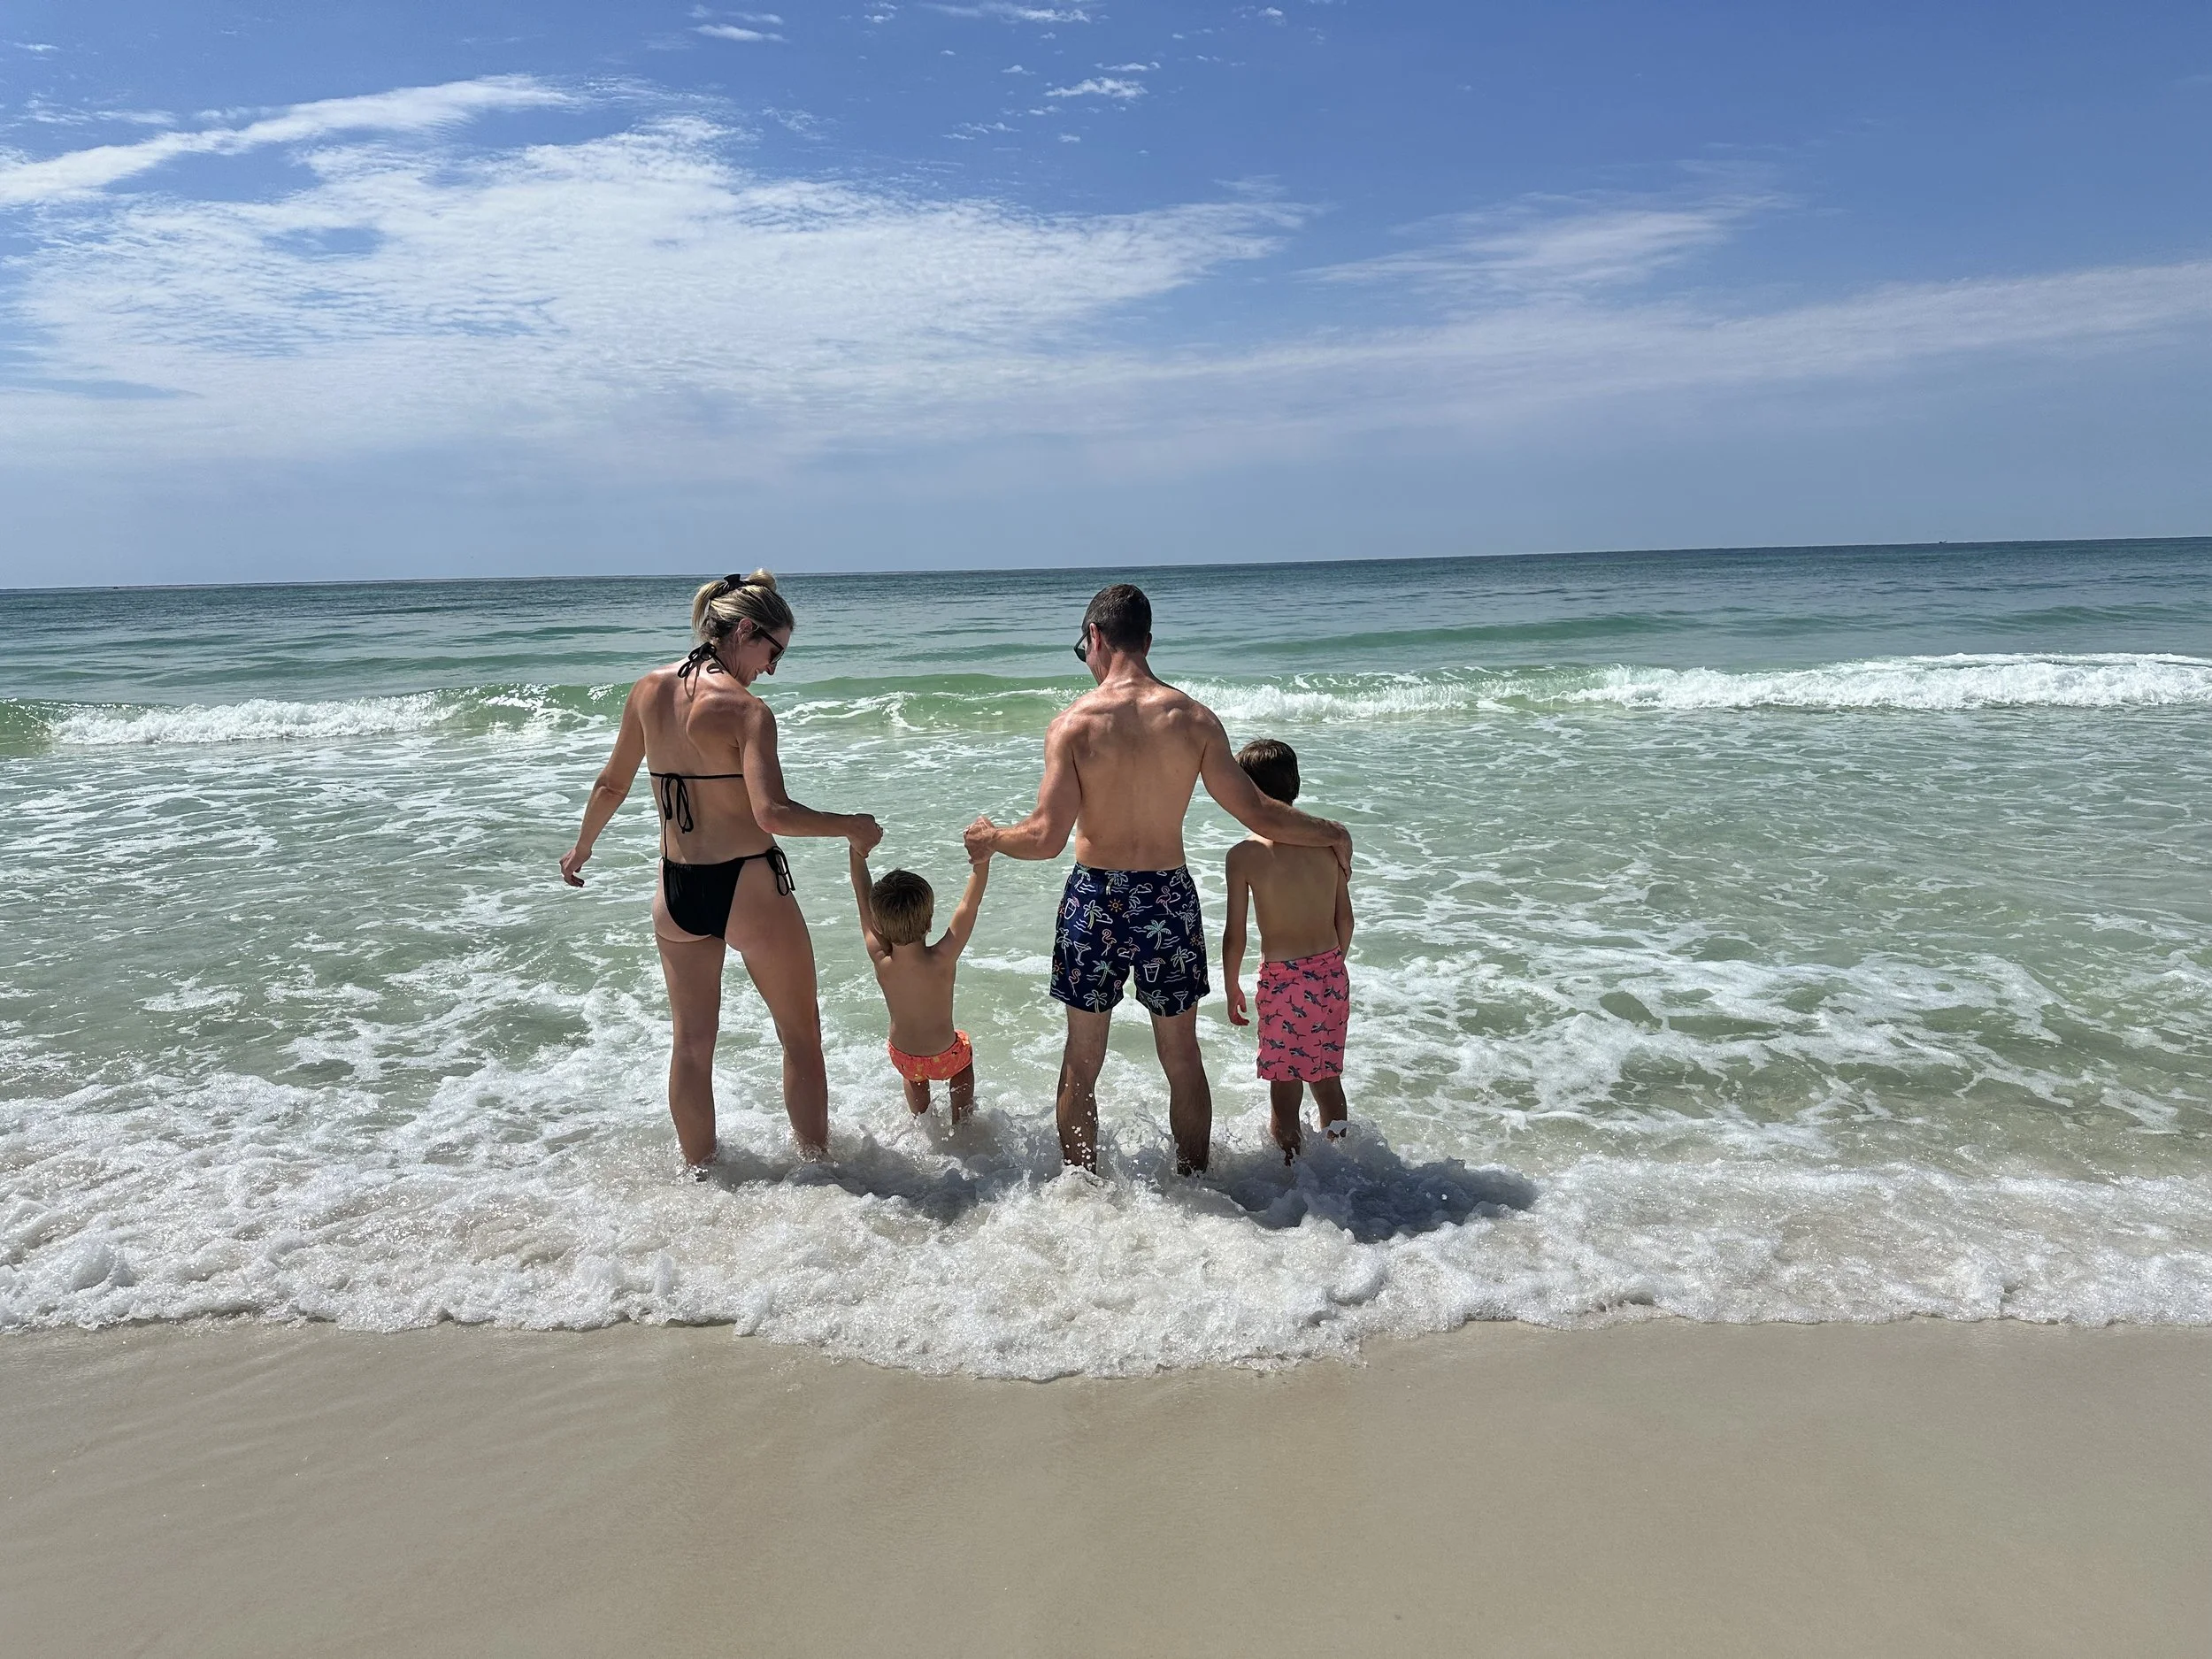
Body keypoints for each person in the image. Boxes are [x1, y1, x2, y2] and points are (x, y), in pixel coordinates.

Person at [964, 583, 1352, 1175]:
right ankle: (1194, 1183)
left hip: (1094, 897)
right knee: (1181, 1054)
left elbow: (1044, 839)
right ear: (1146, 640)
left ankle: (1082, 1189)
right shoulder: (1193, 719)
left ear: (1094, 636)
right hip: (1167, 896)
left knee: (1083, 1057)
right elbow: (1260, 812)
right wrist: (1332, 831)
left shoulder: (1072, 724)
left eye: (1083, 646)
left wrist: (992, 840)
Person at [560, 571, 882, 1172]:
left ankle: (701, 1178)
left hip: (676, 888)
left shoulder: (647, 690)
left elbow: (611, 783)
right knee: (802, 1037)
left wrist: (582, 848)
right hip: (749, 885)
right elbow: (772, 813)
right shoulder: (747, 712)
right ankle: (820, 1170)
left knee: (691, 1046)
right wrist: (851, 825)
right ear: (742, 630)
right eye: (773, 650)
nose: (773, 667)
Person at [1221, 739, 1355, 1160]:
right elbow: (1345, 920)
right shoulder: (1326, 845)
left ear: (1248, 794)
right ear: (1294, 783)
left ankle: (1292, 1171)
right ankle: (1342, 1160)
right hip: (1331, 973)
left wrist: (1231, 986)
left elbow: (1236, 934)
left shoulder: (1244, 855)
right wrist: (1332, 965)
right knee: (1326, 1076)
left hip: (1283, 981)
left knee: (1285, 1082)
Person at [847, 843, 992, 1123]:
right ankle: (963, 1121)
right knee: (963, 1061)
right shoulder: (941, 958)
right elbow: (968, 905)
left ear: (878, 925)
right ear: (929, 922)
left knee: (914, 1076)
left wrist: (857, 852)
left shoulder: (880, 958)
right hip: (944, 1054)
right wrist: (982, 860)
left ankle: (922, 1120)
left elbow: (862, 896)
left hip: (902, 1054)